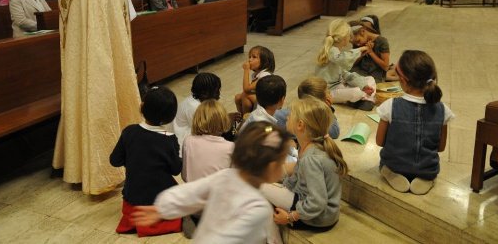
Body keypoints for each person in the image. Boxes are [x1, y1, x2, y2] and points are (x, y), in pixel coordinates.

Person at [52, 0, 142, 195]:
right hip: (96, 50)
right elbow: (106, 2)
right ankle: (101, 168)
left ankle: (80, 162)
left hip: (82, 46)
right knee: (98, 91)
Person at [132, 122, 293, 244]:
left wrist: (163, 207)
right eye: (282, 161)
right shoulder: (259, 208)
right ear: (272, 167)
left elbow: (190, 193)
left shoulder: (226, 175)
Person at [261, 97, 348, 232]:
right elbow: (297, 177)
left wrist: (290, 217)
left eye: (290, 115)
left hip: (317, 219)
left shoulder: (311, 159)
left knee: (254, 183)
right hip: (312, 207)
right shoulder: (311, 145)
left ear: (300, 125)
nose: (287, 117)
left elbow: (317, 202)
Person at [376, 50, 454, 195]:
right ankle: (425, 178)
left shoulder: (390, 106)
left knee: (386, 164)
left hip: (394, 164)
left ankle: (391, 172)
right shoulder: (444, 110)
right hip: (427, 168)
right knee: (428, 170)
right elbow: (441, 147)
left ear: (403, 80)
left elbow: (380, 142)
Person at [110, 86, 182, 237]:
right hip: (159, 200)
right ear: (171, 115)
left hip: (133, 197)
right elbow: (176, 169)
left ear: (142, 107)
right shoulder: (168, 138)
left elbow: (114, 160)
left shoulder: (129, 131)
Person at [315, 19, 376, 110]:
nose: (350, 38)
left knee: (370, 79)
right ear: (344, 38)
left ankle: (363, 98)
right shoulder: (332, 51)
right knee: (356, 92)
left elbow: (345, 74)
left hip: (340, 85)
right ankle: (365, 99)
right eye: (349, 35)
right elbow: (343, 58)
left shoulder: (336, 51)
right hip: (329, 92)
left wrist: (363, 85)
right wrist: (361, 49)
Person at [182, 99, 233, 183]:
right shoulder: (230, 147)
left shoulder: (188, 141)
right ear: (224, 120)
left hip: (192, 192)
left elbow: (185, 176)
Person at [274, 77, 340, 139]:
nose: (330, 94)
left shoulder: (281, 113)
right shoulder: (312, 120)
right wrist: (327, 108)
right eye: (328, 92)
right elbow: (335, 131)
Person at [173, 72, 222, 150]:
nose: (219, 94)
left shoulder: (200, 102)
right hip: (185, 146)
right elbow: (206, 132)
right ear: (204, 93)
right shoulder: (194, 107)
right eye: (216, 91)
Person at [234, 45, 276, 115]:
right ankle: (242, 117)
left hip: (267, 103)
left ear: (264, 61)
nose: (250, 60)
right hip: (260, 100)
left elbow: (246, 89)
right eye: (249, 57)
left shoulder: (265, 75)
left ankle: (246, 119)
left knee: (245, 94)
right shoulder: (256, 74)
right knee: (238, 97)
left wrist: (246, 70)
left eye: (254, 57)